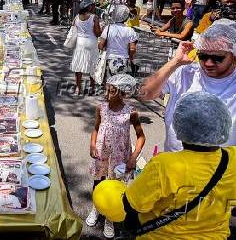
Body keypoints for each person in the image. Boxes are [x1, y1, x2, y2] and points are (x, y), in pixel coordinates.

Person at [93, 91, 235, 239]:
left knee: (105, 189)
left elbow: (132, 204)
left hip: (161, 236)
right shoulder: (234, 158)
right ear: (224, 123)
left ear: (179, 126)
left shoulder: (164, 165)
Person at [139, 19, 236, 152]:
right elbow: (145, 93)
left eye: (218, 58)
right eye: (203, 56)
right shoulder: (186, 73)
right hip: (176, 164)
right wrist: (175, 62)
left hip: (221, 169)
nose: (208, 63)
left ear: (234, 56)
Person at [87, 74, 146, 238]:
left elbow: (141, 136)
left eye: (111, 91)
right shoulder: (101, 108)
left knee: (115, 186)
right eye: (106, 89)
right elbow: (96, 128)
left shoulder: (131, 112)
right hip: (102, 152)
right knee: (98, 181)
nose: (106, 94)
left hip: (120, 156)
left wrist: (134, 157)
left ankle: (110, 217)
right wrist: (92, 144)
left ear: (122, 93)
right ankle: (96, 207)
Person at [70, 0, 102, 94]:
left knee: (78, 66)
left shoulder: (77, 17)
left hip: (79, 43)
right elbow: (97, 33)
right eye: (93, 5)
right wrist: (102, 29)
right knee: (93, 65)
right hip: (91, 43)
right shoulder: (94, 17)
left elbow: (73, 28)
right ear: (89, 6)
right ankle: (92, 88)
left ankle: (78, 88)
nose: (94, 7)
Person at [98, 5, 138, 80]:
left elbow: (100, 46)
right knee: (121, 84)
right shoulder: (130, 31)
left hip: (109, 60)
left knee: (109, 83)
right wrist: (130, 56)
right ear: (126, 17)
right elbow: (132, 49)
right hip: (124, 61)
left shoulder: (108, 28)